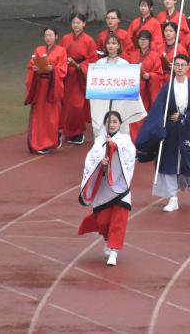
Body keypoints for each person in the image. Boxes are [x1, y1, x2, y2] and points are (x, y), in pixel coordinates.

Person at [136, 55, 190, 212]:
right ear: (173, 67)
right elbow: (159, 108)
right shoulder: (167, 88)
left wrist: (184, 116)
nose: (179, 68)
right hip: (171, 131)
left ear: (188, 67)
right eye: (177, 65)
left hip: (189, 131)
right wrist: (158, 127)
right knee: (168, 164)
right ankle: (172, 198)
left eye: (182, 65)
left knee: (189, 162)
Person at [77, 111, 134, 266]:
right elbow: (90, 162)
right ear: (104, 124)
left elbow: (128, 160)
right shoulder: (99, 142)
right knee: (103, 221)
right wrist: (99, 163)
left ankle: (113, 251)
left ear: (120, 124)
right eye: (109, 122)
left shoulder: (125, 141)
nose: (112, 124)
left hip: (120, 189)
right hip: (103, 189)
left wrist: (114, 147)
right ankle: (108, 239)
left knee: (118, 221)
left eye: (115, 121)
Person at [24, 27, 69, 154]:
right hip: (40, 87)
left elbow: (62, 69)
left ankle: (49, 142)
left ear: (56, 36)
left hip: (52, 88)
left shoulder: (61, 50)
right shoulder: (39, 49)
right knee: (39, 115)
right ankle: (37, 142)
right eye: (46, 35)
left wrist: (53, 69)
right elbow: (31, 65)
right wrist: (35, 68)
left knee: (51, 116)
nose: (48, 38)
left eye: (51, 35)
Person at [60, 13, 98, 145]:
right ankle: (69, 132)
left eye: (78, 23)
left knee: (77, 105)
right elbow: (60, 54)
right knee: (66, 105)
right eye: (73, 23)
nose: (75, 25)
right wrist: (64, 63)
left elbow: (92, 59)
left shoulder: (89, 40)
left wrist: (78, 65)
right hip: (68, 75)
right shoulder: (66, 38)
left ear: (84, 24)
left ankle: (78, 132)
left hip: (80, 76)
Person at [88, 34, 130, 140]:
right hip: (102, 101)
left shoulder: (124, 64)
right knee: (101, 129)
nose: (111, 46)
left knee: (120, 128)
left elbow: (129, 87)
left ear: (119, 46)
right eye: (108, 43)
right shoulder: (99, 63)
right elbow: (94, 85)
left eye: (114, 43)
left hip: (119, 102)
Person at [134, 31, 165, 138]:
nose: (142, 41)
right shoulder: (133, 55)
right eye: (140, 39)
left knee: (147, 114)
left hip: (147, 90)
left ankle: (146, 137)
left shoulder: (154, 56)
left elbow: (159, 73)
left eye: (145, 39)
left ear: (149, 41)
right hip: (135, 89)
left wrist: (150, 75)